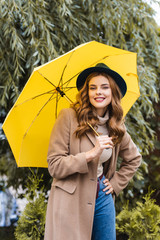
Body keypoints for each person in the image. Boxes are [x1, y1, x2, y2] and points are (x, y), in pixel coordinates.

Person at [44, 63, 141, 240]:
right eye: (93, 88)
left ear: (113, 92)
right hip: (70, 198)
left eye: (105, 87)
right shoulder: (68, 117)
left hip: (102, 196)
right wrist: (91, 154)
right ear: (86, 92)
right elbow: (54, 165)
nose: (98, 92)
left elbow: (134, 158)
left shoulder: (116, 125)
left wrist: (116, 184)